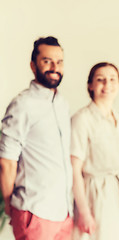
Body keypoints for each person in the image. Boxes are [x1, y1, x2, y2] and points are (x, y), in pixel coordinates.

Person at [0, 36, 73, 239]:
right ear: (33, 65)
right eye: (47, 61)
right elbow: (7, 161)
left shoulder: (62, 104)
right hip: (34, 212)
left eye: (59, 62)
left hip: (64, 213)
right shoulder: (22, 105)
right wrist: (9, 204)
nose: (54, 67)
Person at [71, 62, 119, 240]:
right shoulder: (82, 119)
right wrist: (84, 212)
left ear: (118, 84)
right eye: (100, 80)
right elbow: (74, 170)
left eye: (112, 79)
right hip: (95, 197)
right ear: (90, 85)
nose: (107, 84)